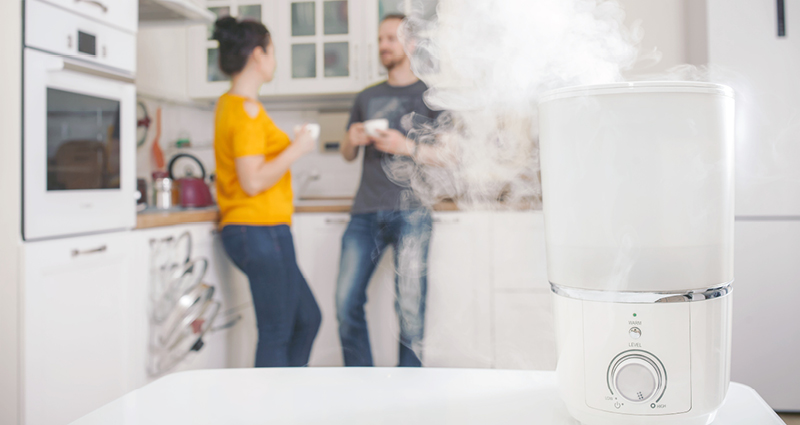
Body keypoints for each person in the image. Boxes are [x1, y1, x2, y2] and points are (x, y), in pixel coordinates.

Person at [212, 16, 321, 367]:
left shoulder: (232, 105)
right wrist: (298, 148)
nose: (274, 60)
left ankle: (285, 402)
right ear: (258, 55)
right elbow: (253, 180)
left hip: (263, 230)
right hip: (259, 230)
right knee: (277, 331)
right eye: (272, 51)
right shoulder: (246, 109)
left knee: (307, 319)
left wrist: (288, 144)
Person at [336, 13, 442, 367]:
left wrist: (406, 146)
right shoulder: (366, 96)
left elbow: (449, 155)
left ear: (411, 44)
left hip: (413, 212)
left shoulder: (431, 96)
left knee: (411, 308)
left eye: (390, 39)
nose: (383, 46)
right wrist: (350, 139)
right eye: (380, 40)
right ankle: (359, 380)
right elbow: (348, 154)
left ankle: (409, 388)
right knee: (345, 302)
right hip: (365, 211)